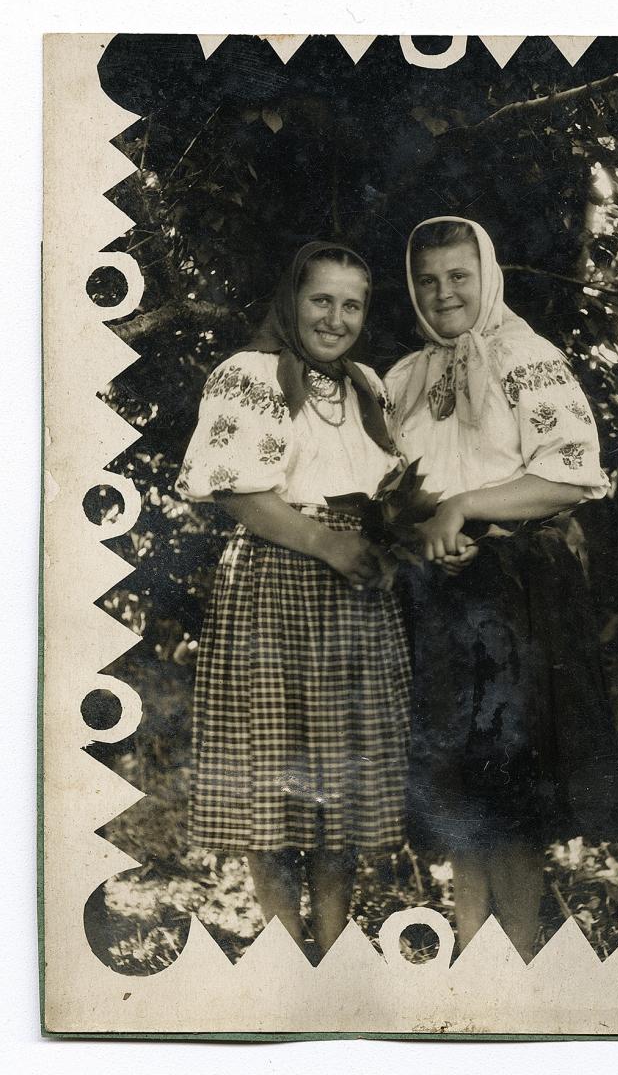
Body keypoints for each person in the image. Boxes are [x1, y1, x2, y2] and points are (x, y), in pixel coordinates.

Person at [385, 217, 618, 963]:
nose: (444, 293)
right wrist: (426, 535)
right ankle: (472, 961)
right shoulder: (403, 381)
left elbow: (570, 476)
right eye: (428, 280)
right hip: (437, 595)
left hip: (518, 593)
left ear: (486, 276)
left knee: (513, 799)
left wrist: (465, 508)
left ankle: (519, 962)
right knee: (462, 796)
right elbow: (390, 494)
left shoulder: (527, 359)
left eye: (458, 276)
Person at [176, 242, 411, 959]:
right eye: (321, 300)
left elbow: (388, 489)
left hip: (354, 594)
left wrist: (384, 544)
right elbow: (238, 492)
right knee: (271, 779)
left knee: (342, 779)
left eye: (352, 305)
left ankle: (332, 944)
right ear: (293, 300)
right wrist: (327, 544)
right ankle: (282, 947)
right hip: (276, 581)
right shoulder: (248, 375)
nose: (335, 319)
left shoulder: (367, 384)